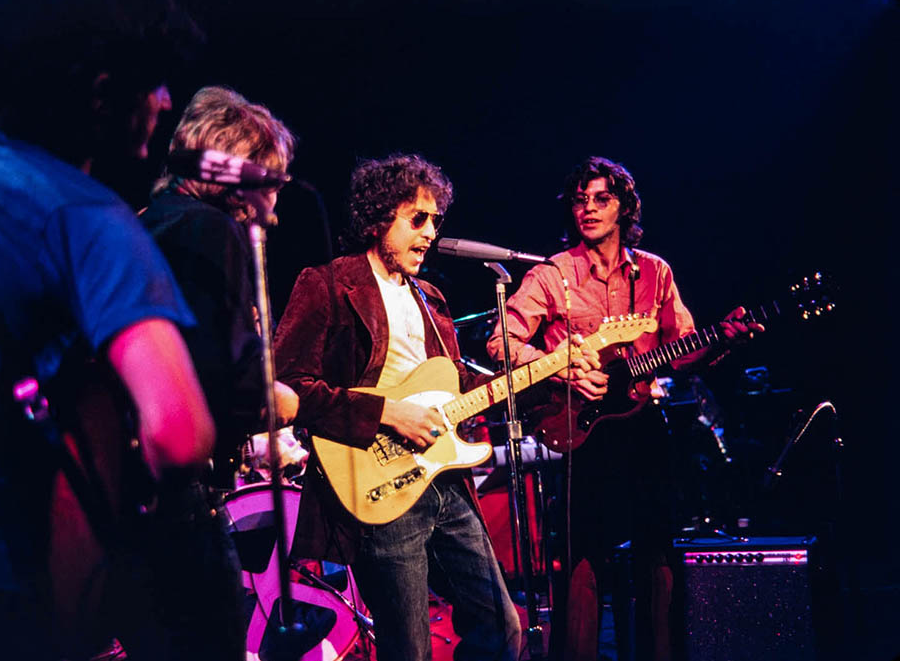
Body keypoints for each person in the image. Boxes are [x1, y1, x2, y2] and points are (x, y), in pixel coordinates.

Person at [0, 0, 221, 660]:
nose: (166, 103)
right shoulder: (85, 216)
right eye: (156, 82)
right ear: (104, 95)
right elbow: (178, 435)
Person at [486, 156, 761, 661]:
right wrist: (560, 366)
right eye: (579, 200)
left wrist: (724, 339)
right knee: (580, 560)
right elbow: (502, 343)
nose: (587, 209)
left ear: (624, 207)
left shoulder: (655, 272)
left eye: (601, 199)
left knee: (657, 552)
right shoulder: (553, 273)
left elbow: (683, 350)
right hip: (580, 431)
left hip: (641, 428)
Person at [274, 153, 523, 661]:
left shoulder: (431, 299)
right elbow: (288, 385)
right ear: (379, 217)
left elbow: (453, 386)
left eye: (435, 221)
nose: (430, 233)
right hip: (378, 486)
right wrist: (386, 413)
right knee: (408, 650)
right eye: (417, 219)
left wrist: (550, 372)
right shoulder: (326, 284)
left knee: (503, 628)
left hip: (443, 482)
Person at [141, 85, 300, 487]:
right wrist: (279, 400)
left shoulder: (145, 221)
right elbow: (226, 381)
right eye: (274, 183)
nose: (275, 201)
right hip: (185, 479)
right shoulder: (213, 230)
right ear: (243, 172)